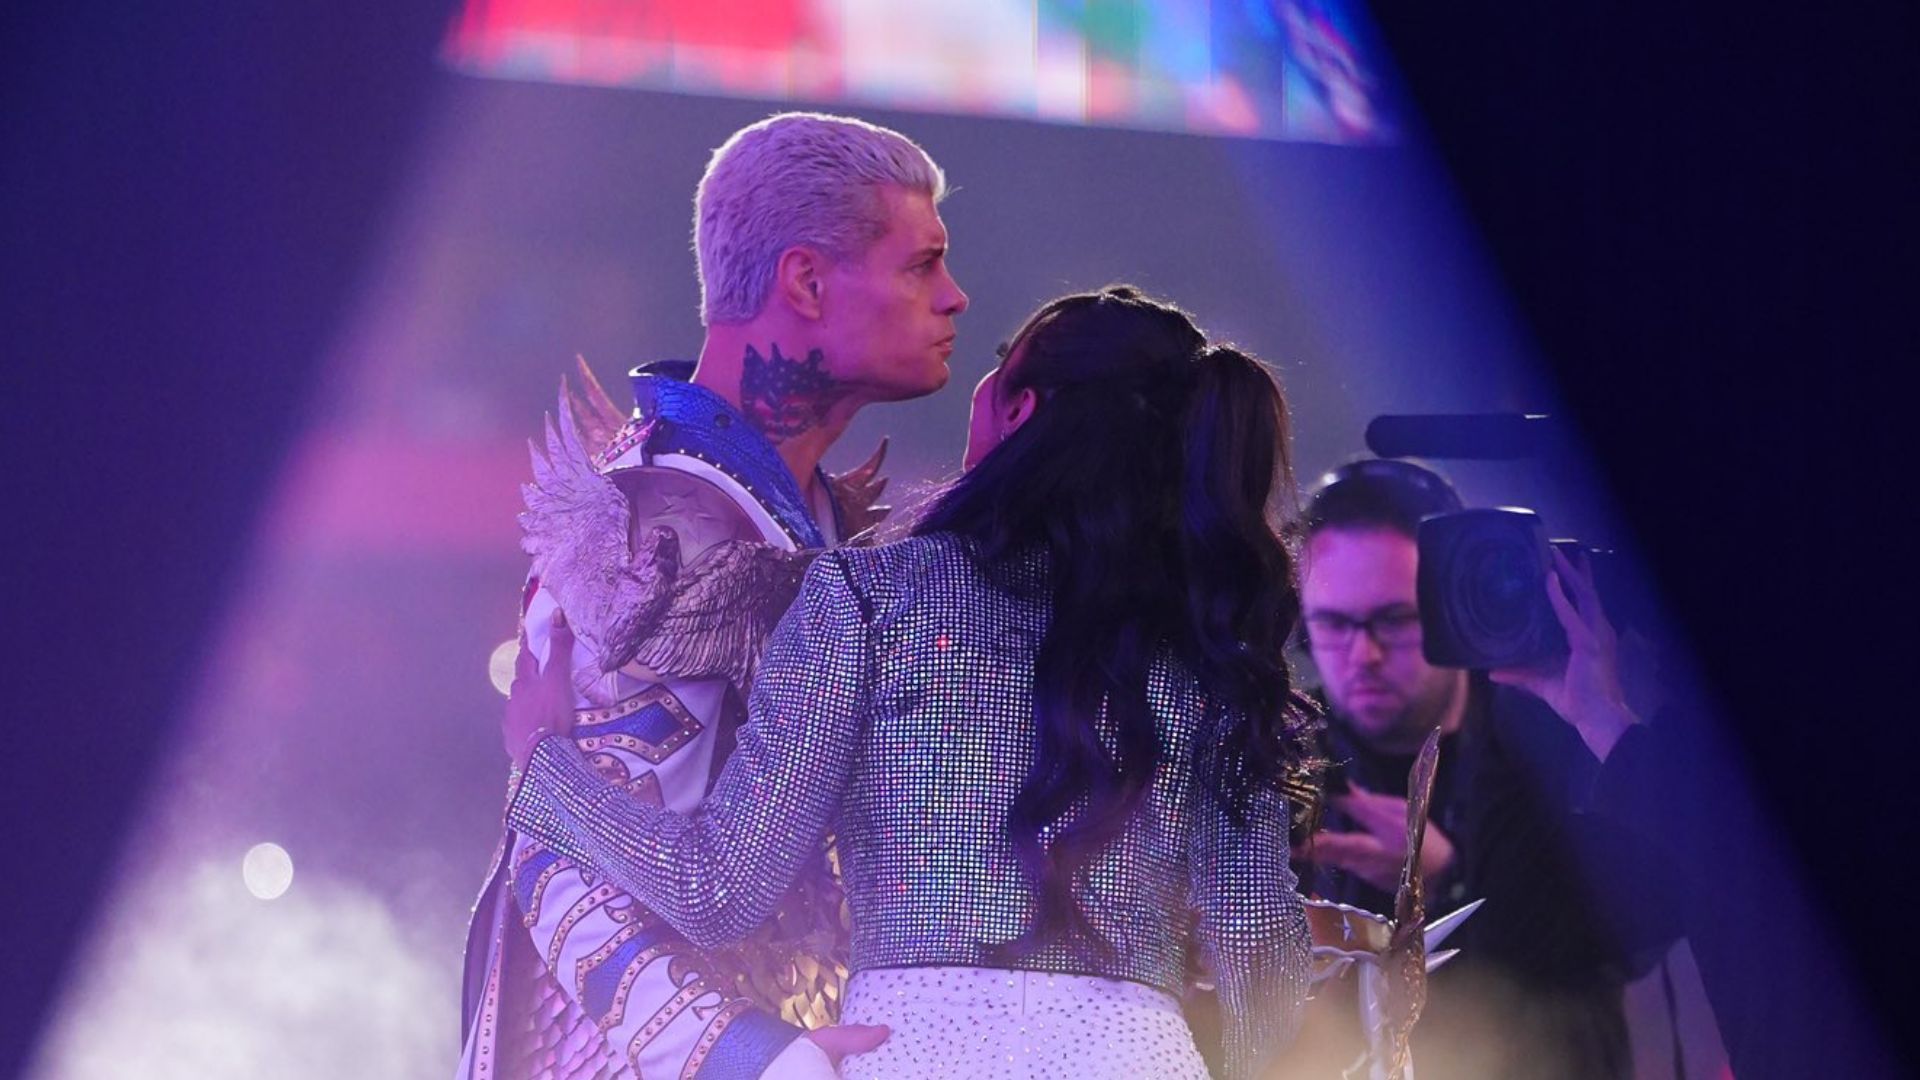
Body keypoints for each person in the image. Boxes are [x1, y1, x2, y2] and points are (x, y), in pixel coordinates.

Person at [501, 286, 1317, 1079]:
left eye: (1000, 365)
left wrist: (542, 765)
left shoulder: (866, 600)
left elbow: (717, 890)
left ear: (1021, 409)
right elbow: (1266, 986)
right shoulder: (1209, 651)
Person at [459, 110, 969, 1080]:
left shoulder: (810, 516)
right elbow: (561, 868)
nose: (955, 298)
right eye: (921, 264)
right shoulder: (664, 525)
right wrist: (752, 1058)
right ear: (807, 283)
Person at [1291, 458, 1680, 1080]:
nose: (1362, 655)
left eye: (1393, 620)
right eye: (1333, 624)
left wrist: (1441, 886)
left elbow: (1623, 941)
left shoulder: (1557, 741)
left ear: (1450, 600)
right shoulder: (1285, 760)